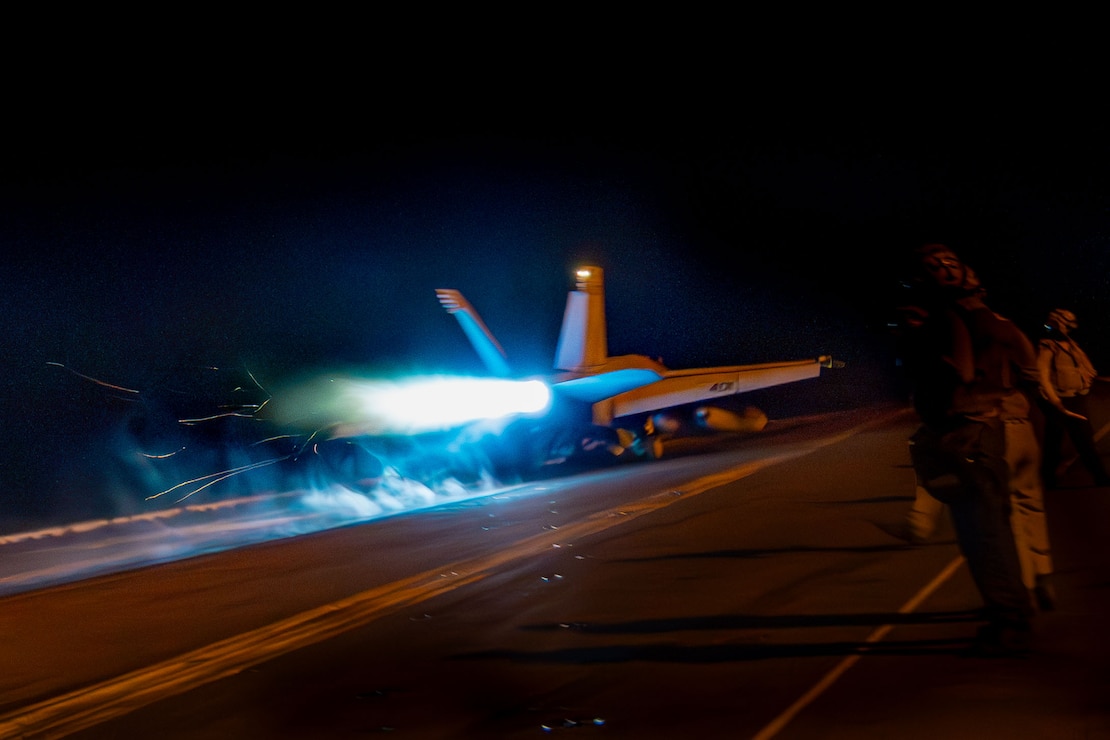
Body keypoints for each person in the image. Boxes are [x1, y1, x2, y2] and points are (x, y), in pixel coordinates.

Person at [899, 243, 1059, 656]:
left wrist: (920, 344)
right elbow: (1026, 373)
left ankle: (1011, 622)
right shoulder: (990, 319)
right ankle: (1015, 605)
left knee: (982, 532)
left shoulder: (950, 319)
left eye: (944, 266)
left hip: (971, 430)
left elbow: (961, 374)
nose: (942, 271)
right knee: (994, 525)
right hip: (992, 429)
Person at [1036, 308, 1110, 488]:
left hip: (1076, 399)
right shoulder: (1048, 345)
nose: (1069, 329)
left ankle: (1098, 478)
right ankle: (1051, 480)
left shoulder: (1072, 345)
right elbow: (1043, 375)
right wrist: (1055, 401)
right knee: (1064, 442)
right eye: (1066, 325)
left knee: (1071, 440)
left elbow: (1083, 370)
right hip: (1061, 401)